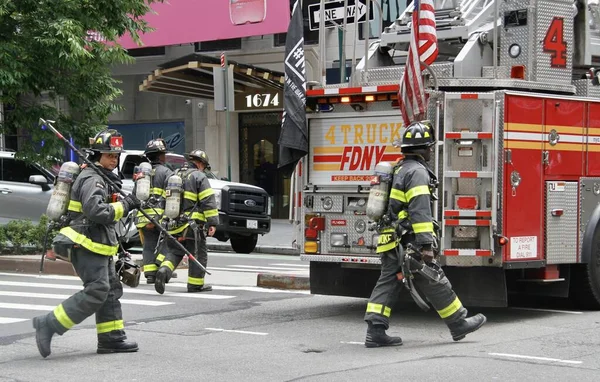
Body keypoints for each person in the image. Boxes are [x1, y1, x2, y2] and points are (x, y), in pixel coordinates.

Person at [363, 121, 487, 348]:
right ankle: (458, 323)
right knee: (433, 277)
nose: (431, 150)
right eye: (429, 147)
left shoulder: (400, 168)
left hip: (391, 238)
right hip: (408, 240)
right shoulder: (417, 172)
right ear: (423, 149)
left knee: (389, 281)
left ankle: (376, 330)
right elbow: (420, 211)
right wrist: (426, 244)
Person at [33, 129, 142, 358]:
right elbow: (96, 212)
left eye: (116, 156)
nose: (113, 159)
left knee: (110, 289)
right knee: (97, 289)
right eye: (109, 155)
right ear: (97, 155)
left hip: (97, 243)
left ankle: (111, 339)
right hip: (84, 243)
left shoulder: (102, 177)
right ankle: (48, 324)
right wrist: (126, 205)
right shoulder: (93, 178)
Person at [154, 149, 219, 294]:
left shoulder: (173, 175)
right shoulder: (198, 176)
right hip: (193, 226)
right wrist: (212, 223)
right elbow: (207, 201)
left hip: (173, 224)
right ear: (200, 163)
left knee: (175, 251)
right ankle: (195, 284)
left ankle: (164, 270)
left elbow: (164, 200)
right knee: (198, 254)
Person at [135, 138, 174, 284]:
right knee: (167, 243)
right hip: (160, 216)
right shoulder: (167, 172)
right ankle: (160, 268)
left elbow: (135, 194)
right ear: (160, 156)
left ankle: (150, 274)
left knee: (148, 244)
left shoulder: (141, 174)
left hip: (143, 215)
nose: (165, 156)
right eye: (163, 154)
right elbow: (171, 195)